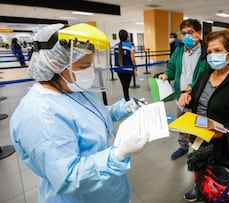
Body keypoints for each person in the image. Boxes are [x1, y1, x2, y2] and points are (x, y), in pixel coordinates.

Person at [9, 23, 150, 203]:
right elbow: (67, 177)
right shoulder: (41, 116)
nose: (90, 71)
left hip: (106, 189)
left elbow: (89, 116)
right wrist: (117, 154)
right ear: (56, 64)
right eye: (84, 65)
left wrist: (123, 108)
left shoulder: (72, 87)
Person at [177, 30, 229, 202]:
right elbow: (196, 99)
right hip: (198, 131)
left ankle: (215, 192)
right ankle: (199, 189)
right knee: (198, 163)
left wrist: (225, 130)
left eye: (217, 50)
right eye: (210, 52)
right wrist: (187, 97)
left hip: (219, 139)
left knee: (214, 170)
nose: (212, 56)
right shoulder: (206, 75)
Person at [158, 19, 210, 160]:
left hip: (198, 96)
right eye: (184, 33)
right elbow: (172, 67)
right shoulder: (179, 51)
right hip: (180, 95)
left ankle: (197, 149)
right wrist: (166, 75)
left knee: (198, 123)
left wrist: (191, 88)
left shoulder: (206, 53)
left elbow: (205, 74)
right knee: (182, 122)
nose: (187, 36)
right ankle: (183, 146)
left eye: (191, 32)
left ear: (199, 33)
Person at [114, 29, 137, 101]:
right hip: (128, 69)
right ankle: (127, 99)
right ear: (127, 37)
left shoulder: (115, 46)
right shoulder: (130, 46)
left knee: (124, 86)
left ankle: (126, 98)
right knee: (126, 85)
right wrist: (136, 68)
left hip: (119, 69)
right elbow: (132, 59)